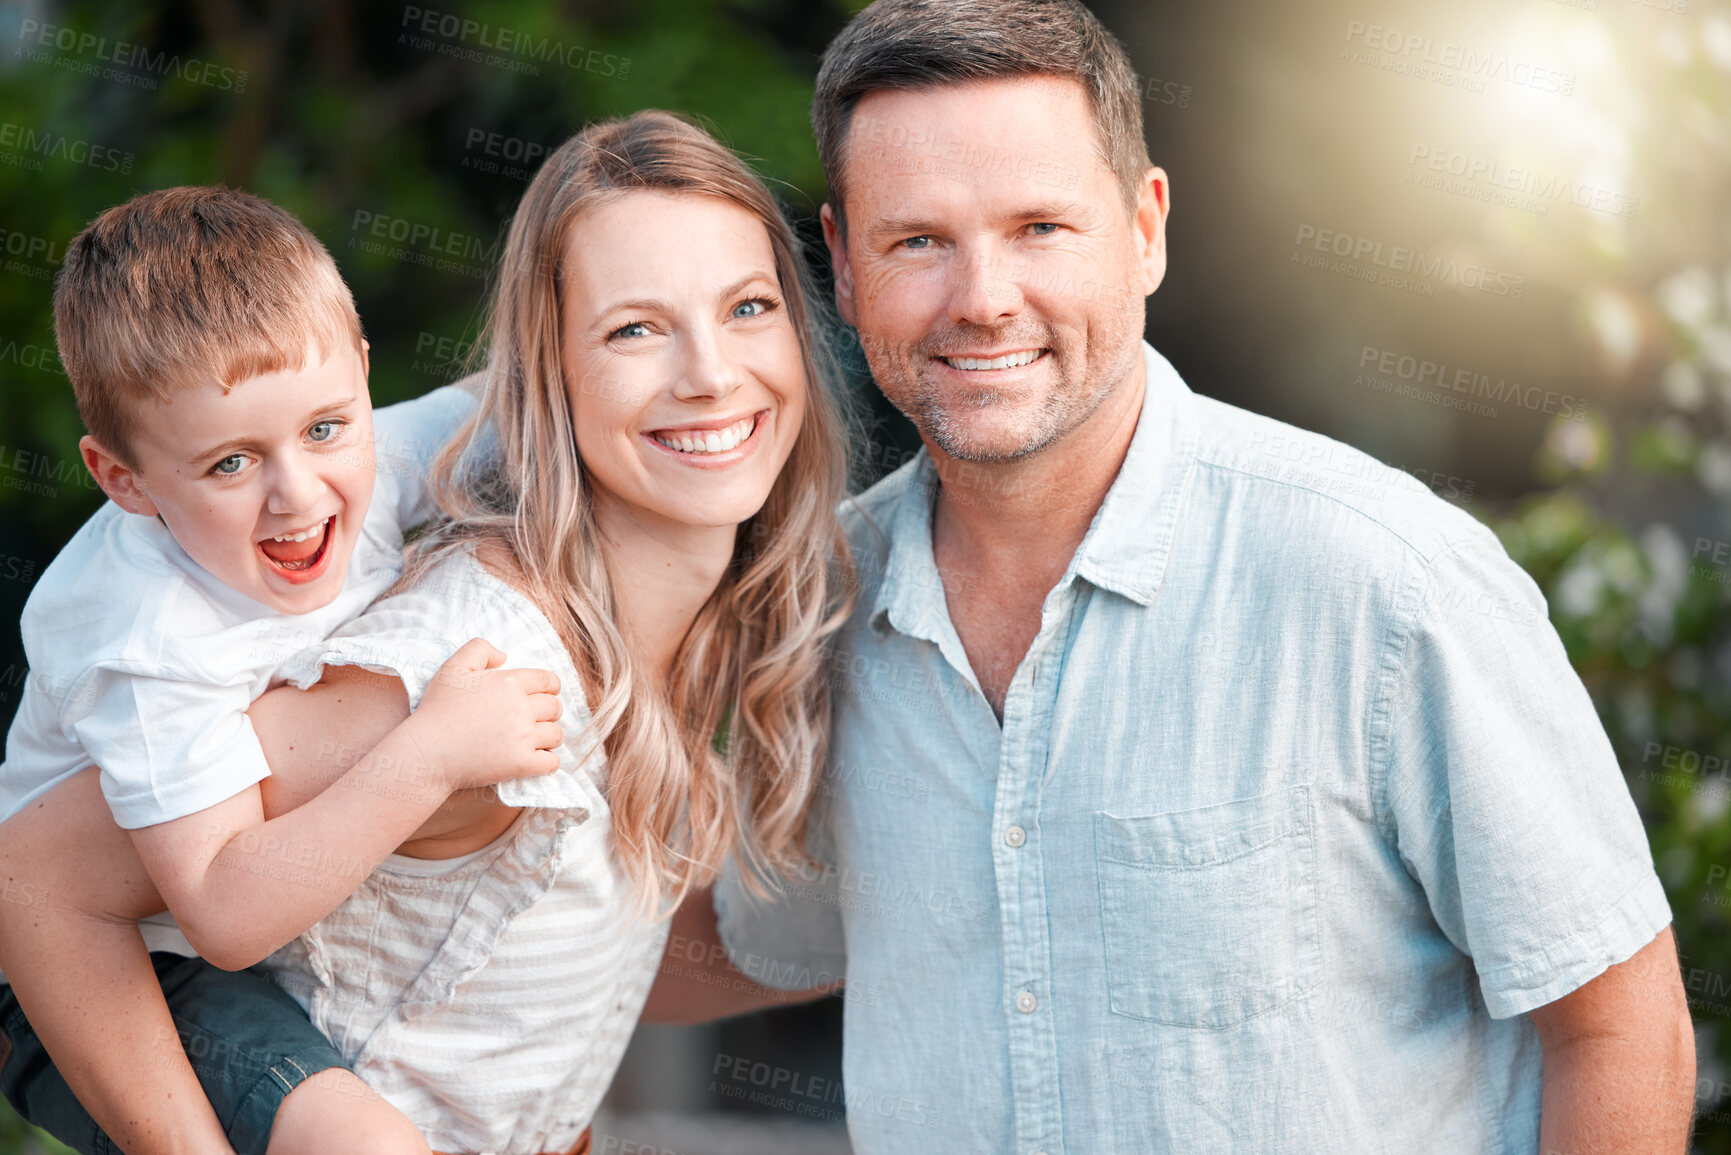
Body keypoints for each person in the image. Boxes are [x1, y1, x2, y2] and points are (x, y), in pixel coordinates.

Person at [706, 0, 1697, 1150]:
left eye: (1039, 227)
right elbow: (750, 940)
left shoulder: (1383, 580)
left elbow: (1619, 1020)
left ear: (1144, 229)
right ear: (841, 265)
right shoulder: (812, 607)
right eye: (917, 240)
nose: (980, 298)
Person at [1, 111, 852, 1155]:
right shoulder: (444, 666)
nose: (713, 374)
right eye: (633, 328)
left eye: (749, 306)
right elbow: (36, 877)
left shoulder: (413, 463)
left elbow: (562, 974)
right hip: (124, 974)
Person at [0, 186, 564, 1155]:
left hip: (265, 924)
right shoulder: (145, 638)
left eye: (325, 429)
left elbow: (522, 401)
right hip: (118, 972)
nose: (297, 494)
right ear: (123, 481)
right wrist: (430, 753)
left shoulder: (370, 454)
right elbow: (222, 910)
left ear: (361, 374)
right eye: (229, 465)